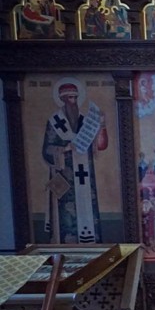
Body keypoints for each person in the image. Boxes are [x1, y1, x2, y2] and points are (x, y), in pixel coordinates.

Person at [42, 78, 109, 243]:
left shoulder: (85, 121)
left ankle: (92, 244)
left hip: (85, 174)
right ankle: (67, 245)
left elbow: (100, 145)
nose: (74, 101)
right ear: (63, 99)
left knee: (87, 206)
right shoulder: (55, 122)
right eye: (70, 98)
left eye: (75, 97)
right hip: (66, 175)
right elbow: (47, 149)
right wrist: (64, 148)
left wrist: (102, 126)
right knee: (67, 211)